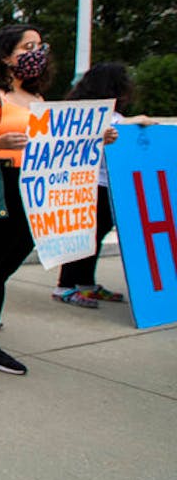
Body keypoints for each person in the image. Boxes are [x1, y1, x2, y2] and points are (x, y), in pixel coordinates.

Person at [0, 25, 116, 381]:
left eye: (39, 46)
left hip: (30, 189)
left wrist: (94, 137)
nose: (37, 53)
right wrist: (1, 142)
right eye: (27, 47)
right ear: (5, 55)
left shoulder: (37, 99)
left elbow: (52, 144)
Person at [52, 62, 148, 307]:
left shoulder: (109, 113)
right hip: (87, 184)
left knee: (94, 236)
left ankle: (85, 283)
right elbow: (100, 132)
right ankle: (65, 285)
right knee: (84, 235)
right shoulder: (88, 113)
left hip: (105, 185)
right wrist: (133, 122)